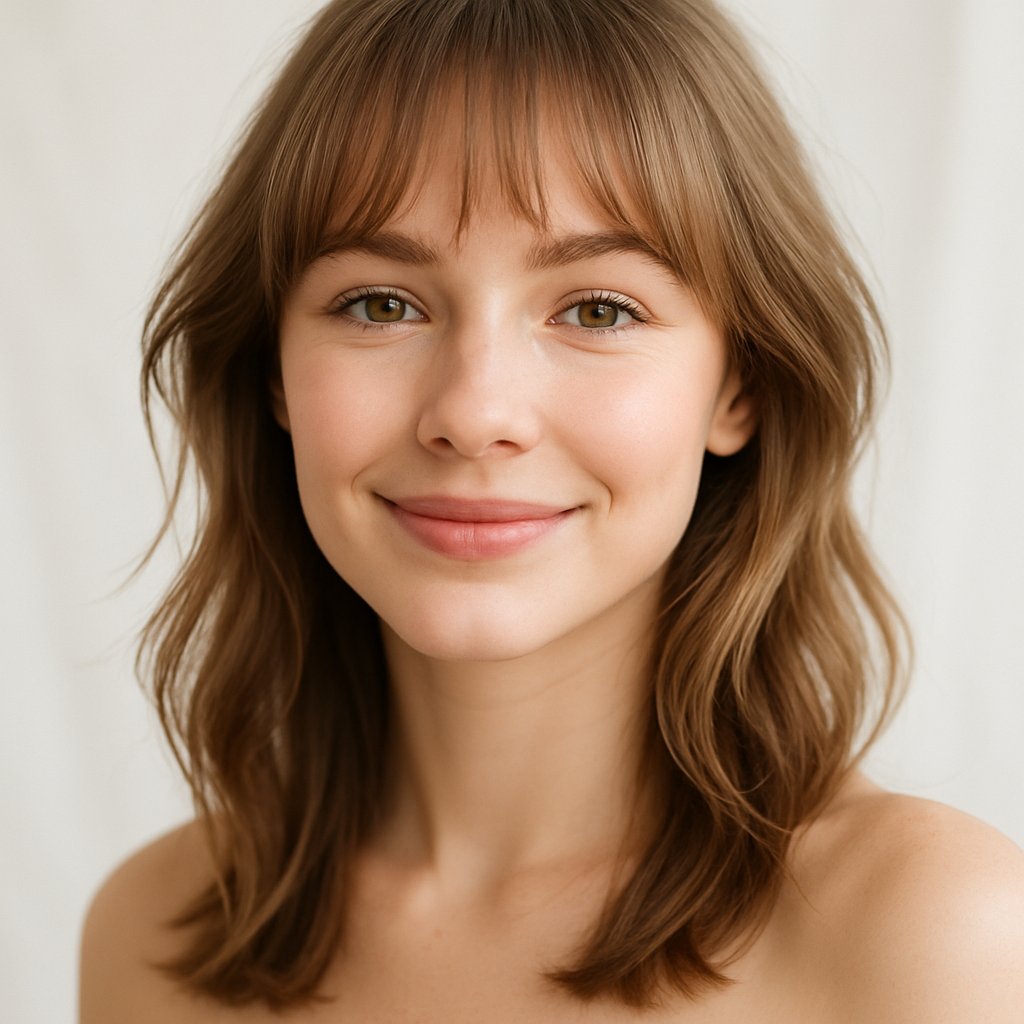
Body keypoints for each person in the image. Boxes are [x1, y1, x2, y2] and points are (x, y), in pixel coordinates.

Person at [79, 0, 1024, 1020]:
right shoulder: (155, 934)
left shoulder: (933, 935)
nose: (475, 413)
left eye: (596, 310)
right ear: (271, 369)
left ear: (738, 385)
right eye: (381, 303)